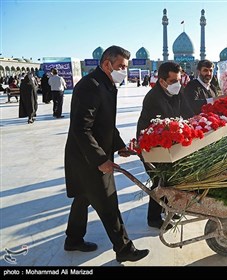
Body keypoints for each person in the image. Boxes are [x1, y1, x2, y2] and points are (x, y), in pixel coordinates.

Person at [64, 45, 149, 263]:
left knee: (83, 197)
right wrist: (101, 159)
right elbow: (81, 128)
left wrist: (119, 145)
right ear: (106, 64)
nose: (124, 71)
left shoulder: (105, 84)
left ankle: (73, 239)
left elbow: (105, 123)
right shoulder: (91, 86)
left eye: (126, 67)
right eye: (121, 66)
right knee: (108, 202)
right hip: (88, 158)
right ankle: (124, 248)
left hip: (89, 154)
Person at [136, 62, 194, 229]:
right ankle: (153, 218)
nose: (178, 84)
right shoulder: (153, 98)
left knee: (171, 179)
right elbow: (164, 123)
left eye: (179, 79)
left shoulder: (176, 92)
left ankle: (171, 208)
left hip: (168, 144)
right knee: (159, 181)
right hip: (152, 147)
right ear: (162, 81)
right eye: (174, 80)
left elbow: (188, 112)